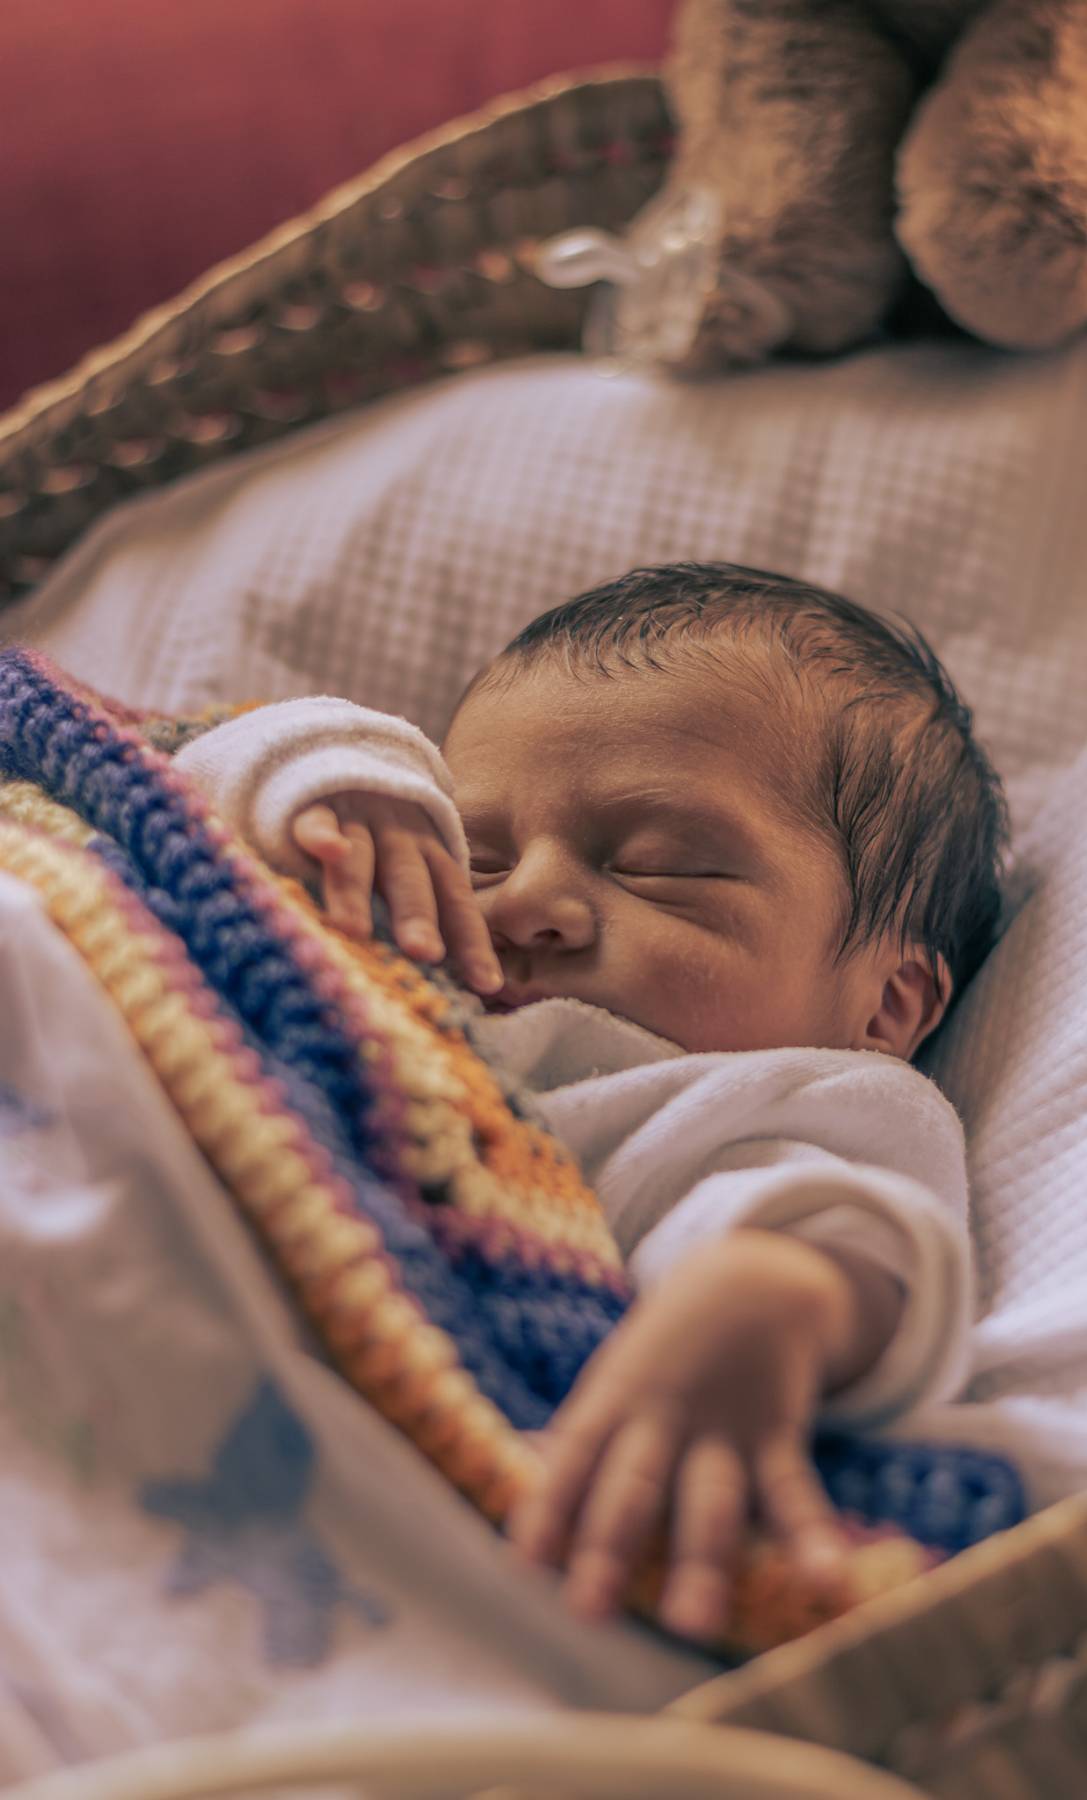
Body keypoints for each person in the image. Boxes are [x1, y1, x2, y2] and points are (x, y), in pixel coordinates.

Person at [174, 561, 1007, 1643]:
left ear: (887, 1005)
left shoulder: (766, 1097)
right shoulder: (391, 921)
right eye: (477, 851)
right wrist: (327, 778)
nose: (526, 901)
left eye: (661, 868)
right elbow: (165, 792)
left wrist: (776, 1288)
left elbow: (856, 1226)